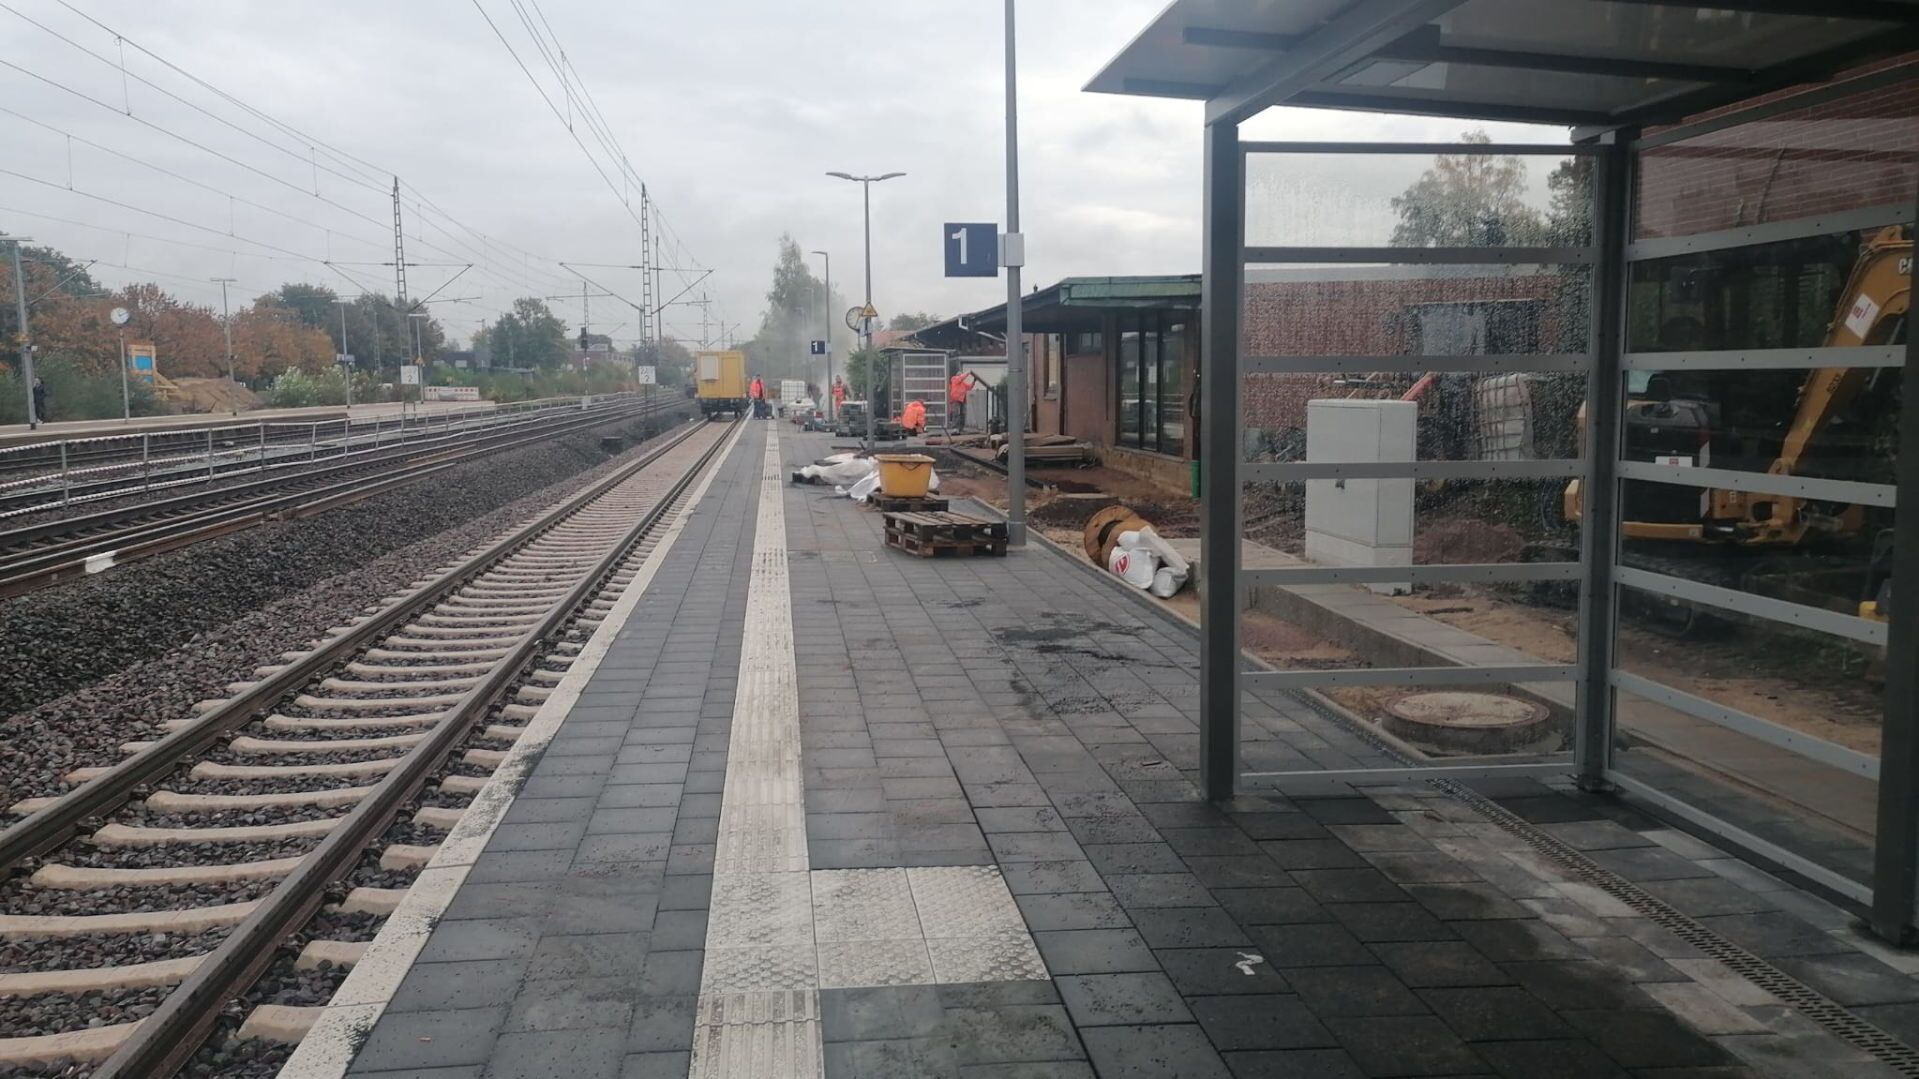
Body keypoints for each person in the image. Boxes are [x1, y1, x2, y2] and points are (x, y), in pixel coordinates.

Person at [947, 370, 981, 435]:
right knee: (956, 414)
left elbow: (969, 387)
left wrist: (974, 381)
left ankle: (961, 428)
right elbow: (961, 378)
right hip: (956, 399)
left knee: (963, 414)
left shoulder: (962, 384)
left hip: (962, 400)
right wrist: (968, 372)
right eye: (960, 375)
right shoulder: (955, 379)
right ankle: (955, 428)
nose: (961, 376)